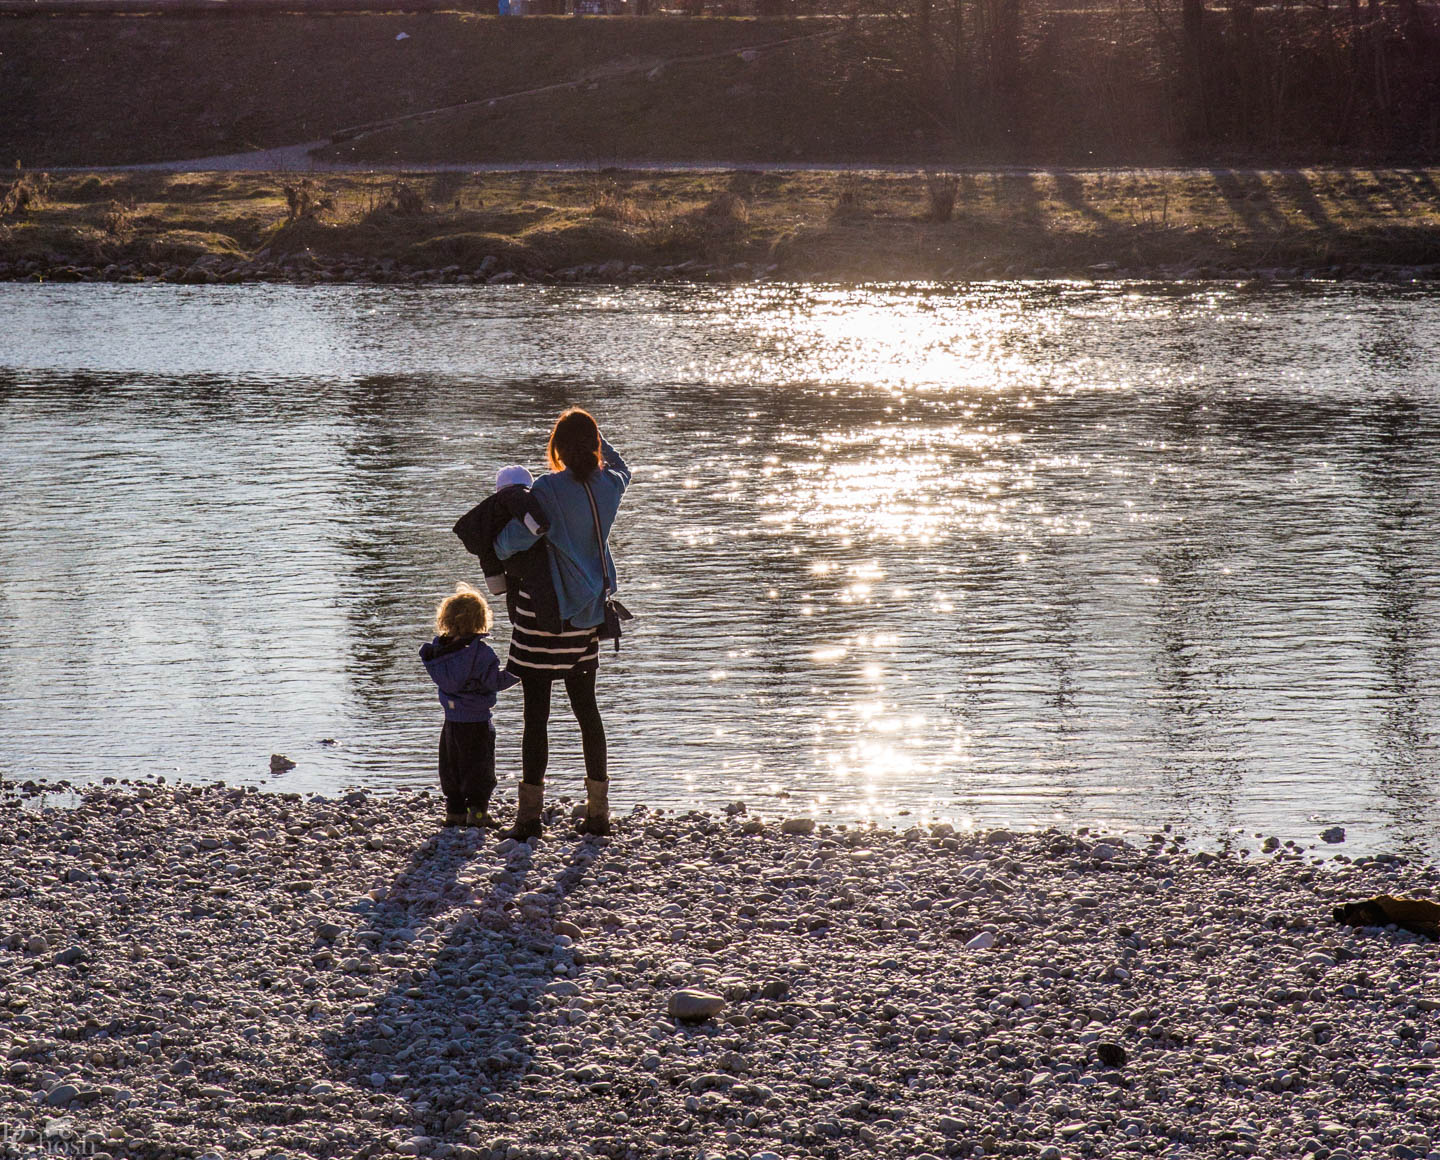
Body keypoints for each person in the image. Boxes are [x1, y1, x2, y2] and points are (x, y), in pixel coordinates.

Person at [494, 408, 631, 841]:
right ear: (594, 447)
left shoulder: (547, 488)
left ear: (555, 449)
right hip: (586, 616)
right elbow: (624, 467)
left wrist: (496, 542)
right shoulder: (609, 486)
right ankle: (598, 814)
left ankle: (529, 818)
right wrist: (597, 440)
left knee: (536, 716)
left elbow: (514, 540)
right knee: (587, 712)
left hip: (543, 618)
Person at [419, 583, 519, 829]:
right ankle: (477, 813)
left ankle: (454, 812)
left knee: (451, 767)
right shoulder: (480, 654)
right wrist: (519, 671)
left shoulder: (439, 653)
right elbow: (494, 682)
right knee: (480, 768)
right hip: (477, 722)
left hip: (451, 721)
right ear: (481, 620)